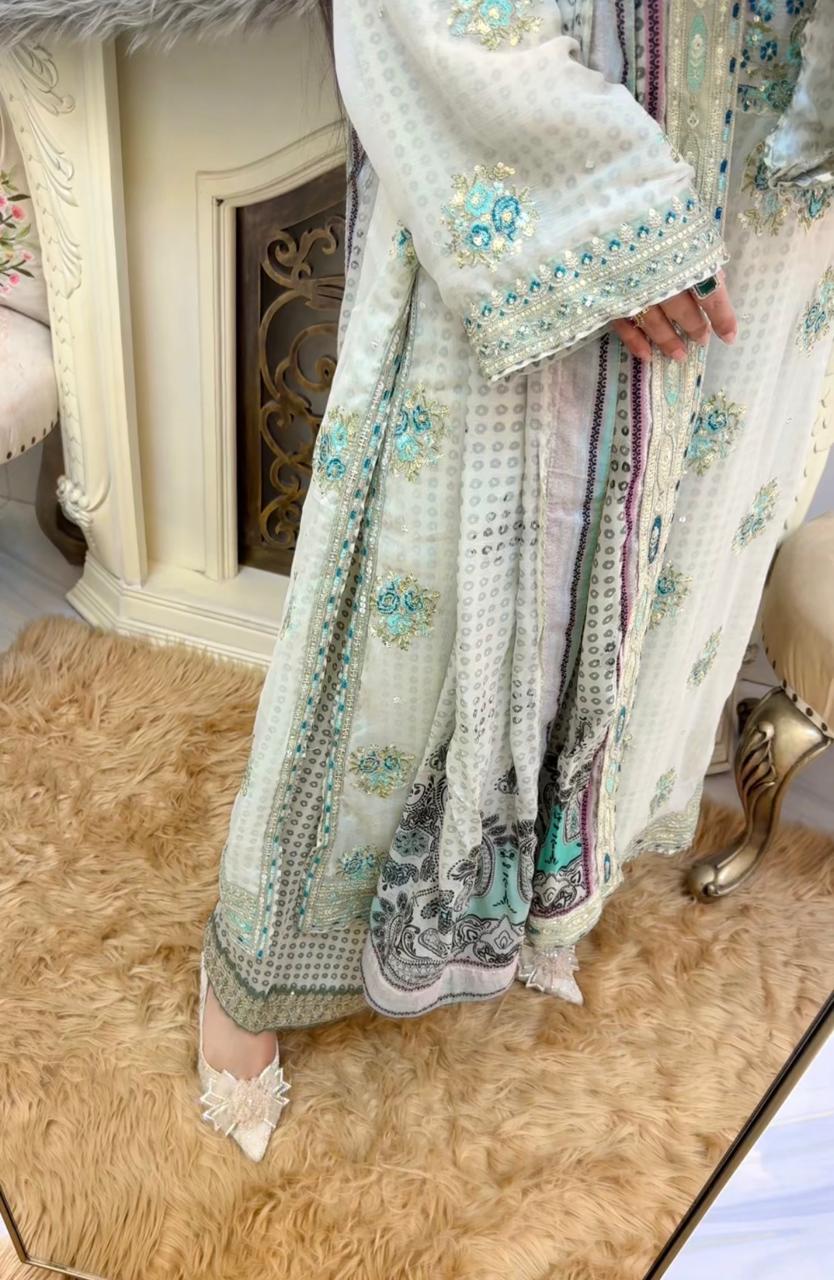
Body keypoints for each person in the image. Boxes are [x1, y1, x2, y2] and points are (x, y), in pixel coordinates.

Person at [196, 0, 834, 1160]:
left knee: (669, 570)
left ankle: (548, 905)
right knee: (417, 589)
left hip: (768, 172)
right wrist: (609, 213)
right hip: (556, 114)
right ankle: (258, 970)